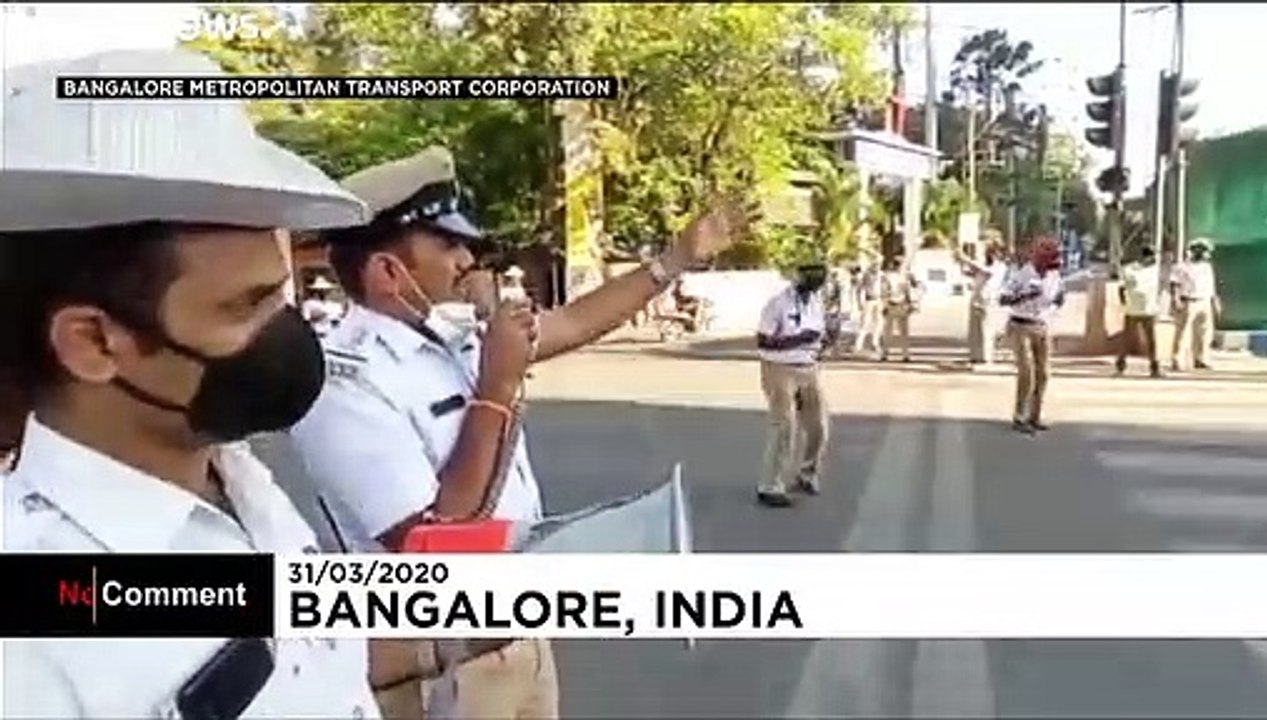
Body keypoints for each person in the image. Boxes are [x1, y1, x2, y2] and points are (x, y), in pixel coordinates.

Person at [0, 48, 394, 718]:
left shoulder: (237, 480)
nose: (286, 333)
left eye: (283, 296)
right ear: (94, 342)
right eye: (246, 307)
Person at [287, 145, 743, 719]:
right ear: (387, 272)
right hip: (443, 663)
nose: (467, 261)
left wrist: (673, 261)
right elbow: (434, 541)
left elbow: (574, 321)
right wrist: (497, 388)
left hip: (518, 633)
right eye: (448, 245)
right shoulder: (343, 383)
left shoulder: (448, 333)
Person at [755, 263, 829, 508]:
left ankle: (807, 473)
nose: (816, 279)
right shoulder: (778, 304)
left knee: (818, 425)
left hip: (808, 367)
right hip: (779, 367)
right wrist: (798, 340)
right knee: (784, 425)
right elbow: (763, 341)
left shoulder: (816, 302)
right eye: (810, 274)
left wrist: (822, 342)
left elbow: (818, 334)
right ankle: (770, 486)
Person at [999, 237, 1066, 435]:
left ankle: (1035, 415)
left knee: (1043, 373)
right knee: (1026, 372)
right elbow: (1003, 299)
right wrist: (1025, 295)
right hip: (1020, 325)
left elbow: (1059, 297)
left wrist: (1052, 308)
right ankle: (1020, 416)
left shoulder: (1054, 276)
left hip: (1041, 326)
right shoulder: (1022, 274)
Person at [1170, 238, 1220, 371]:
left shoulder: (1207, 267)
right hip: (1189, 301)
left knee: (1204, 333)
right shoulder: (1182, 267)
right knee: (1183, 332)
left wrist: (1215, 301)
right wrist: (1176, 299)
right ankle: (1177, 359)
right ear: (1195, 250)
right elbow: (1175, 284)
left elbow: (1211, 285)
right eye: (1203, 250)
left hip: (1205, 301)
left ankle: (1201, 359)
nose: (1206, 254)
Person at [956, 243, 1009, 366]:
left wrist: (966, 259)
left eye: (992, 253)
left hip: (988, 300)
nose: (989, 255)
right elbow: (968, 272)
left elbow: (985, 271)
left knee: (986, 329)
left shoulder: (1000, 267)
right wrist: (961, 262)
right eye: (988, 253)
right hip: (976, 298)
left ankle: (986, 356)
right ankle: (975, 355)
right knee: (974, 329)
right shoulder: (984, 266)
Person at [1115, 246, 1164, 378]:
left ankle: (1155, 368)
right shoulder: (1129, 270)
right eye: (1152, 256)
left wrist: (1158, 304)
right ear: (1144, 257)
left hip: (1150, 309)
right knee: (1127, 340)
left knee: (1151, 340)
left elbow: (1160, 288)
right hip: (1133, 309)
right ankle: (1120, 366)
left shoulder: (1156, 270)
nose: (1154, 259)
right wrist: (1124, 303)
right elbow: (1121, 288)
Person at [880, 256, 920, 363]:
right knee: (903, 332)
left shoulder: (888, 276)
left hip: (893, 304)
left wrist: (884, 305)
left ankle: (885, 353)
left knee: (888, 331)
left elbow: (884, 292)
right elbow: (911, 291)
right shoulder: (904, 276)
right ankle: (905, 354)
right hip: (901, 304)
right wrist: (912, 305)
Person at [853, 261, 885, 356]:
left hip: (879, 300)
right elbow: (859, 289)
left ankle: (875, 342)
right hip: (869, 300)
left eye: (878, 265)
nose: (877, 267)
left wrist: (885, 300)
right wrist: (859, 303)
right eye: (875, 265)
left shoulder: (881, 275)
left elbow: (885, 287)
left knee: (879, 323)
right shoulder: (866, 275)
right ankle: (858, 345)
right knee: (865, 324)